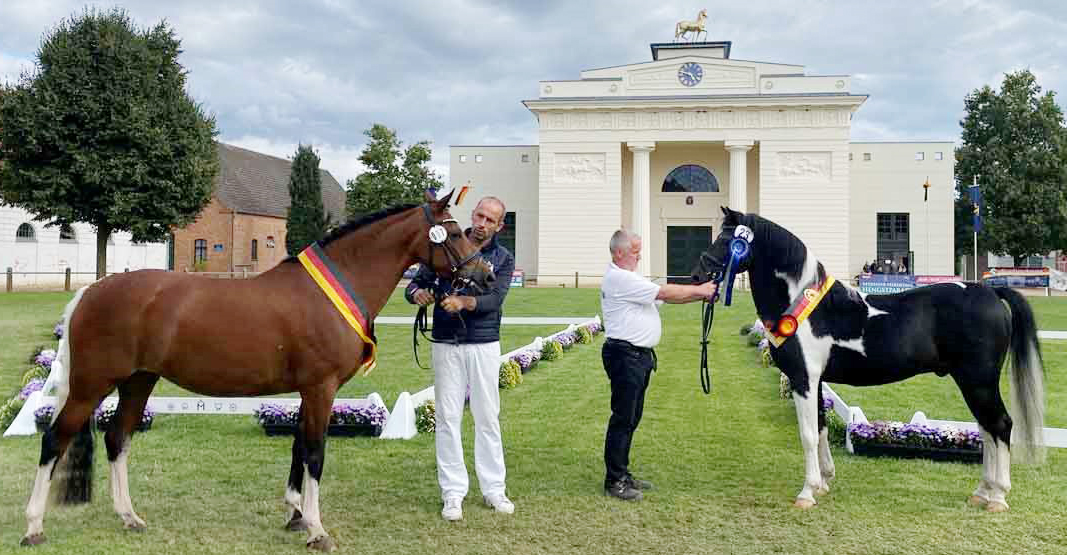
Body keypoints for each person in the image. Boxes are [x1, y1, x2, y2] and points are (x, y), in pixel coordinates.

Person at [406, 196, 515, 521]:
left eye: (489, 220)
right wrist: (417, 294)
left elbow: (495, 299)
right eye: (479, 215)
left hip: (483, 343)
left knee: (487, 417)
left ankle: (494, 488)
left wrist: (465, 302)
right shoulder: (446, 241)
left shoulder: (503, 258)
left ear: (499, 226)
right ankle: (452, 493)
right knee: (447, 419)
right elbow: (415, 284)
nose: (482, 223)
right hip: (445, 342)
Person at [599, 229, 718, 501]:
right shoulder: (620, 279)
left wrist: (701, 294)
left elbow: (667, 297)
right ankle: (614, 480)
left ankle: (622, 473)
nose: (639, 256)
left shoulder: (629, 279)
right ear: (619, 252)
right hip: (625, 356)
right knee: (623, 418)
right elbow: (665, 291)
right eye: (635, 251)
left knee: (631, 417)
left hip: (636, 357)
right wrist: (701, 290)